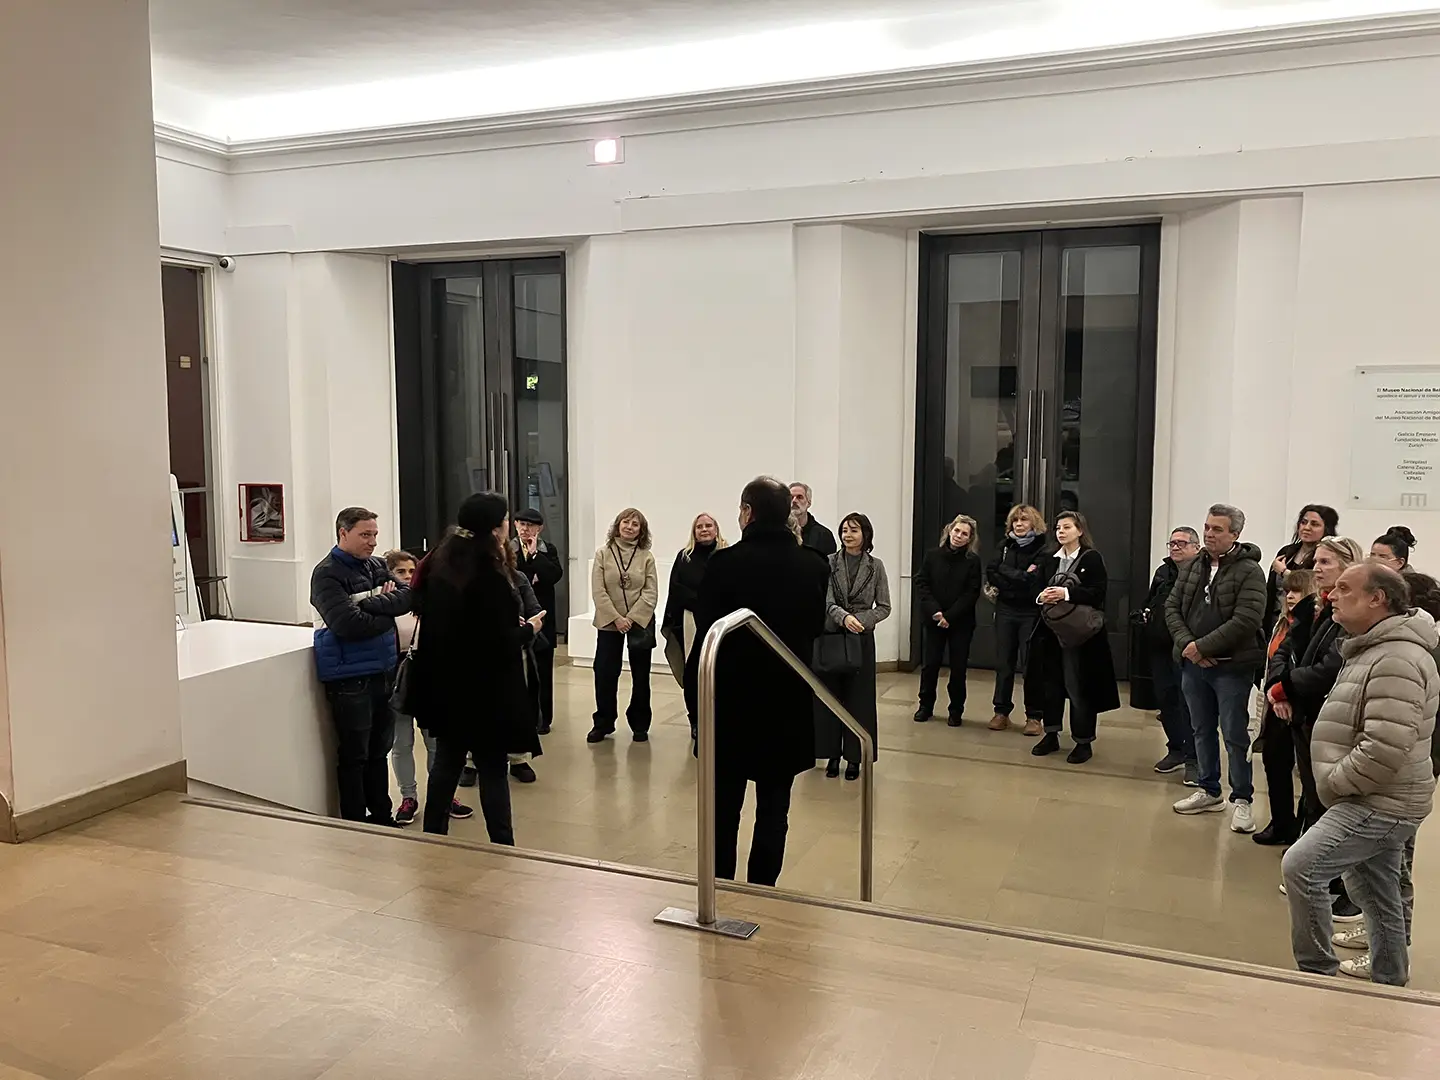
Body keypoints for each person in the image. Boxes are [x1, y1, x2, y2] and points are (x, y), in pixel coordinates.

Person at [1281, 562, 1437, 986]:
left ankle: (1317, 976)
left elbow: (1385, 747)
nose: (1331, 594)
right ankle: (1389, 980)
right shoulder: (1373, 647)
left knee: (1302, 867)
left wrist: (1334, 783)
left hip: (1380, 799)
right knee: (1377, 889)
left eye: (1345, 589)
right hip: (1377, 794)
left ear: (1377, 599)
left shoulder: (1397, 658)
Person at [687, 477, 829, 886]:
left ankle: (719, 888)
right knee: (774, 808)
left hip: (732, 704)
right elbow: (814, 627)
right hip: (786, 702)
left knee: (724, 807)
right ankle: (763, 889)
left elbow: (706, 632)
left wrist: (695, 705)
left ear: (747, 512)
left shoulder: (724, 564)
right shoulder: (813, 565)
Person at [409, 492, 545, 842]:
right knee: (493, 769)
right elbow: (497, 641)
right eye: (506, 519)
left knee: (446, 763)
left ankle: (433, 835)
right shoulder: (488, 573)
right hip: (486, 689)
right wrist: (529, 629)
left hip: (447, 685)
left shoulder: (442, 561)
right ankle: (502, 843)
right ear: (495, 527)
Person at [1165, 504, 1267, 831]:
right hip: (1193, 665)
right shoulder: (1194, 565)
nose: (1209, 534)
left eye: (1217, 530)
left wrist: (1203, 647)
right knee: (1201, 729)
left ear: (1235, 534)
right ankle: (1209, 790)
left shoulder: (1250, 571)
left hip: (1231, 668)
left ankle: (1243, 800)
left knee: (1235, 734)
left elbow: (1247, 619)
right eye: (1207, 527)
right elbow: (1172, 607)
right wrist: (1190, 647)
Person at [310, 507, 411, 825]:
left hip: (384, 671)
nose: (372, 541)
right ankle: (354, 821)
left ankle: (381, 815)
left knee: (379, 750)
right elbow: (346, 625)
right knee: (355, 754)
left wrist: (367, 603)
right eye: (365, 535)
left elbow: (409, 597)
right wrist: (386, 612)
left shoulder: (378, 565)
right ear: (343, 532)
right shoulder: (327, 574)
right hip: (349, 677)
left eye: (375, 535)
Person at [384, 549, 471, 825]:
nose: (407, 576)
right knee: (402, 743)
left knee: (436, 743)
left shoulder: (431, 600)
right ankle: (408, 797)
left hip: (431, 678)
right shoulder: (387, 604)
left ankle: (443, 794)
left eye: (412, 571)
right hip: (399, 679)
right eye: (400, 571)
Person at [1029, 510, 1120, 764]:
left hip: (1081, 635)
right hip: (1050, 632)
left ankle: (1083, 741)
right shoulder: (1049, 558)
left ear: (1080, 530)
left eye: (1067, 527)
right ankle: (1051, 734)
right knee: (1051, 685)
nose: (1061, 531)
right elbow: (1035, 586)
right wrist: (1042, 596)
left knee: (1079, 686)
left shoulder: (1091, 558)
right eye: (1058, 527)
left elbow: (1098, 592)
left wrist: (1066, 594)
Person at [816, 513, 891, 781]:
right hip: (833, 635)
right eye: (845, 530)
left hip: (861, 638)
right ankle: (832, 754)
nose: (847, 535)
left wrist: (859, 620)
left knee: (859, 700)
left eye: (854, 530)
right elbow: (826, 601)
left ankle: (855, 757)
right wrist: (843, 617)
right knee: (831, 697)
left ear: (865, 535)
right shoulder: (829, 562)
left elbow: (884, 607)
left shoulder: (876, 566)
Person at [1253, 568, 1318, 846]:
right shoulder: (1281, 624)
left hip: (1301, 704)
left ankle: (1305, 832)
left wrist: (1287, 693)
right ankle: (1281, 823)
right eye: (1287, 591)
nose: (1290, 596)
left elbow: (1310, 667)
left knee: (1308, 773)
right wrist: (1275, 693)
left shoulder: (1314, 625)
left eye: (1297, 591)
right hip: (1276, 700)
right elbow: (1277, 659)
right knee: (1274, 761)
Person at [589, 508, 659, 743]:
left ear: (641, 530)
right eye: (626, 522)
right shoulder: (603, 553)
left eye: (635, 524)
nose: (629, 527)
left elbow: (651, 592)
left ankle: (640, 724)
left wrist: (631, 618)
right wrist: (616, 618)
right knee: (605, 673)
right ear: (617, 526)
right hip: (609, 622)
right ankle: (603, 722)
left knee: (641, 675)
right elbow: (598, 590)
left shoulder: (647, 557)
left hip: (639, 622)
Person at [1143, 527, 1201, 783]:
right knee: (1166, 699)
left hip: (1188, 647)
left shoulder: (1202, 574)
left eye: (1182, 543)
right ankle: (1175, 748)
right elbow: (1151, 601)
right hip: (1160, 646)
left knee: (1189, 703)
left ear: (1196, 548)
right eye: (1172, 543)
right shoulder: (1163, 571)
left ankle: (1194, 759)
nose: (1175, 547)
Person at [913, 514, 982, 726]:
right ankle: (925, 706)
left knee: (958, 668)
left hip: (960, 622)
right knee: (930, 665)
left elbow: (971, 593)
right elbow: (922, 583)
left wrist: (949, 616)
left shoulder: (972, 561)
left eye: (964, 534)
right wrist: (935, 612)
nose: (959, 536)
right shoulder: (932, 555)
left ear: (970, 538)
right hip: (933, 619)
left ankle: (956, 710)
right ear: (949, 531)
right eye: (956, 531)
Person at [662, 512, 727, 736]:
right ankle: (696, 720)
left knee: (720, 672)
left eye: (708, 525)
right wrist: (699, 603)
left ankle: (718, 718)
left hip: (720, 621)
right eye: (699, 527)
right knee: (692, 673)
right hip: (690, 619)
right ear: (694, 532)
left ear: (716, 530)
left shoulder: (726, 555)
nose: (704, 529)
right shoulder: (684, 557)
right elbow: (676, 588)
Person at [985, 504, 1049, 734]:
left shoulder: (1043, 548)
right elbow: (991, 571)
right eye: (1015, 520)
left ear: (1034, 523)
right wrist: (1018, 576)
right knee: (1004, 664)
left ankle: (1034, 716)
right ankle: (1001, 712)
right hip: (1005, 609)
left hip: (1030, 612)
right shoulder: (1003, 545)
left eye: (1024, 520)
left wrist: (1006, 572)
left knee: (1031, 665)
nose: (1019, 524)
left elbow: (1034, 580)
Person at [512, 509, 563, 734]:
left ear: (539, 528)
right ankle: (523, 717)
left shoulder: (547, 550)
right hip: (517, 619)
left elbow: (554, 575)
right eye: (521, 524)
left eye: (530, 525)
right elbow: (517, 577)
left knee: (543, 672)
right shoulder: (507, 549)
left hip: (542, 619)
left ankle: (544, 719)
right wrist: (532, 570)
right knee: (519, 673)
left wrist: (534, 556)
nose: (525, 529)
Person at [1265, 504, 1339, 635]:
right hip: (1277, 621)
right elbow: (1271, 591)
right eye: (1303, 522)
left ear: (1326, 529)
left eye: (1314, 524)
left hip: (1303, 623)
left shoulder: (1324, 558)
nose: (1306, 527)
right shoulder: (1286, 552)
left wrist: (1285, 573)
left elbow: (1312, 587)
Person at [789, 482, 838, 557]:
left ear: (809, 503)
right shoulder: (778, 531)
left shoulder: (824, 535)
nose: (794, 501)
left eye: (799, 497)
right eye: (791, 497)